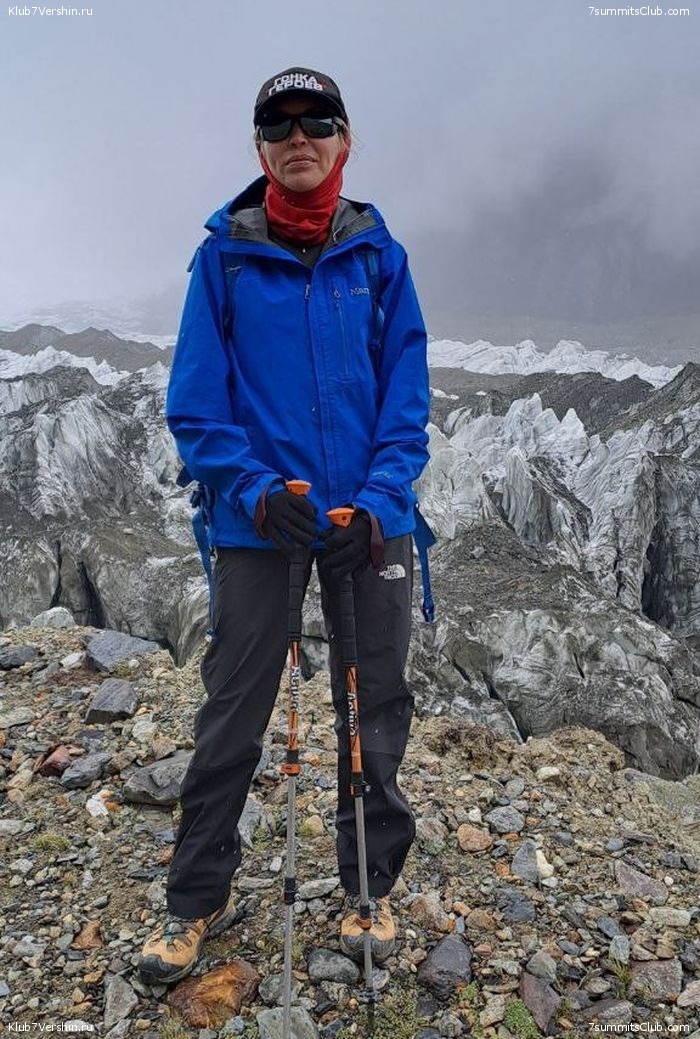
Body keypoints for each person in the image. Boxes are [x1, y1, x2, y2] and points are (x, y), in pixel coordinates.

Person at [138, 66, 430, 987]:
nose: (298, 137)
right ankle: (196, 895)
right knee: (234, 706)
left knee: (372, 705)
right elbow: (197, 403)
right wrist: (258, 491)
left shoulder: (380, 258)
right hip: (258, 519)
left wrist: (377, 504)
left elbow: (406, 400)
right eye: (279, 125)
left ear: (346, 140)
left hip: (364, 522)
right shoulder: (224, 259)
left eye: (317, 121)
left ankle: (368, 886)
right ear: (259, 148)